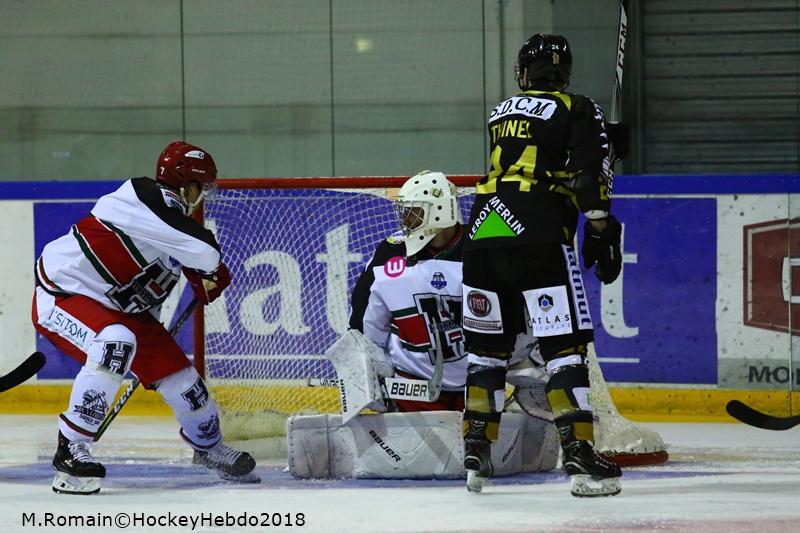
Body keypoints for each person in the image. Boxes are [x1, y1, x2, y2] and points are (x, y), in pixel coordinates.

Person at [287, 170, 558, 480]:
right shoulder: (391, 252)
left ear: (440, 210)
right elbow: (363, 327)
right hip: (413, 387)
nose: (406, 220)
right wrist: (368, 376)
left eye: (414, 211)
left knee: (468, 460)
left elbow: (523, 319)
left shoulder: (486, 249)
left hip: (479, 383)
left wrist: (524, 367)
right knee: (429, 463)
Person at [32, 141, 258, 494]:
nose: (202, 195)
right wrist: (208, 270)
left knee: (187, 386)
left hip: (123, 312)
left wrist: (201, 279)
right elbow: (205, 252)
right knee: (115, 343)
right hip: (64, 295)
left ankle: (209, 449)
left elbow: (172, 269)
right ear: (187, 185)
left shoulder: (168, 230)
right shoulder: (140, 196)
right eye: (201, 187)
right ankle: (70, 450)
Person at [460, 34, 628, 497]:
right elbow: (588, 183)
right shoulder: (578, 106)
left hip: (483, 231)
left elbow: (534, 153)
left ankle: (476, 451)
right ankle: (579, 455)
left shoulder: (500, 111)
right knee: (563, 348)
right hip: (539, 235)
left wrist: (603, 142)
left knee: (486, 352)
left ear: (524, 72)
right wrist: (601, 228)